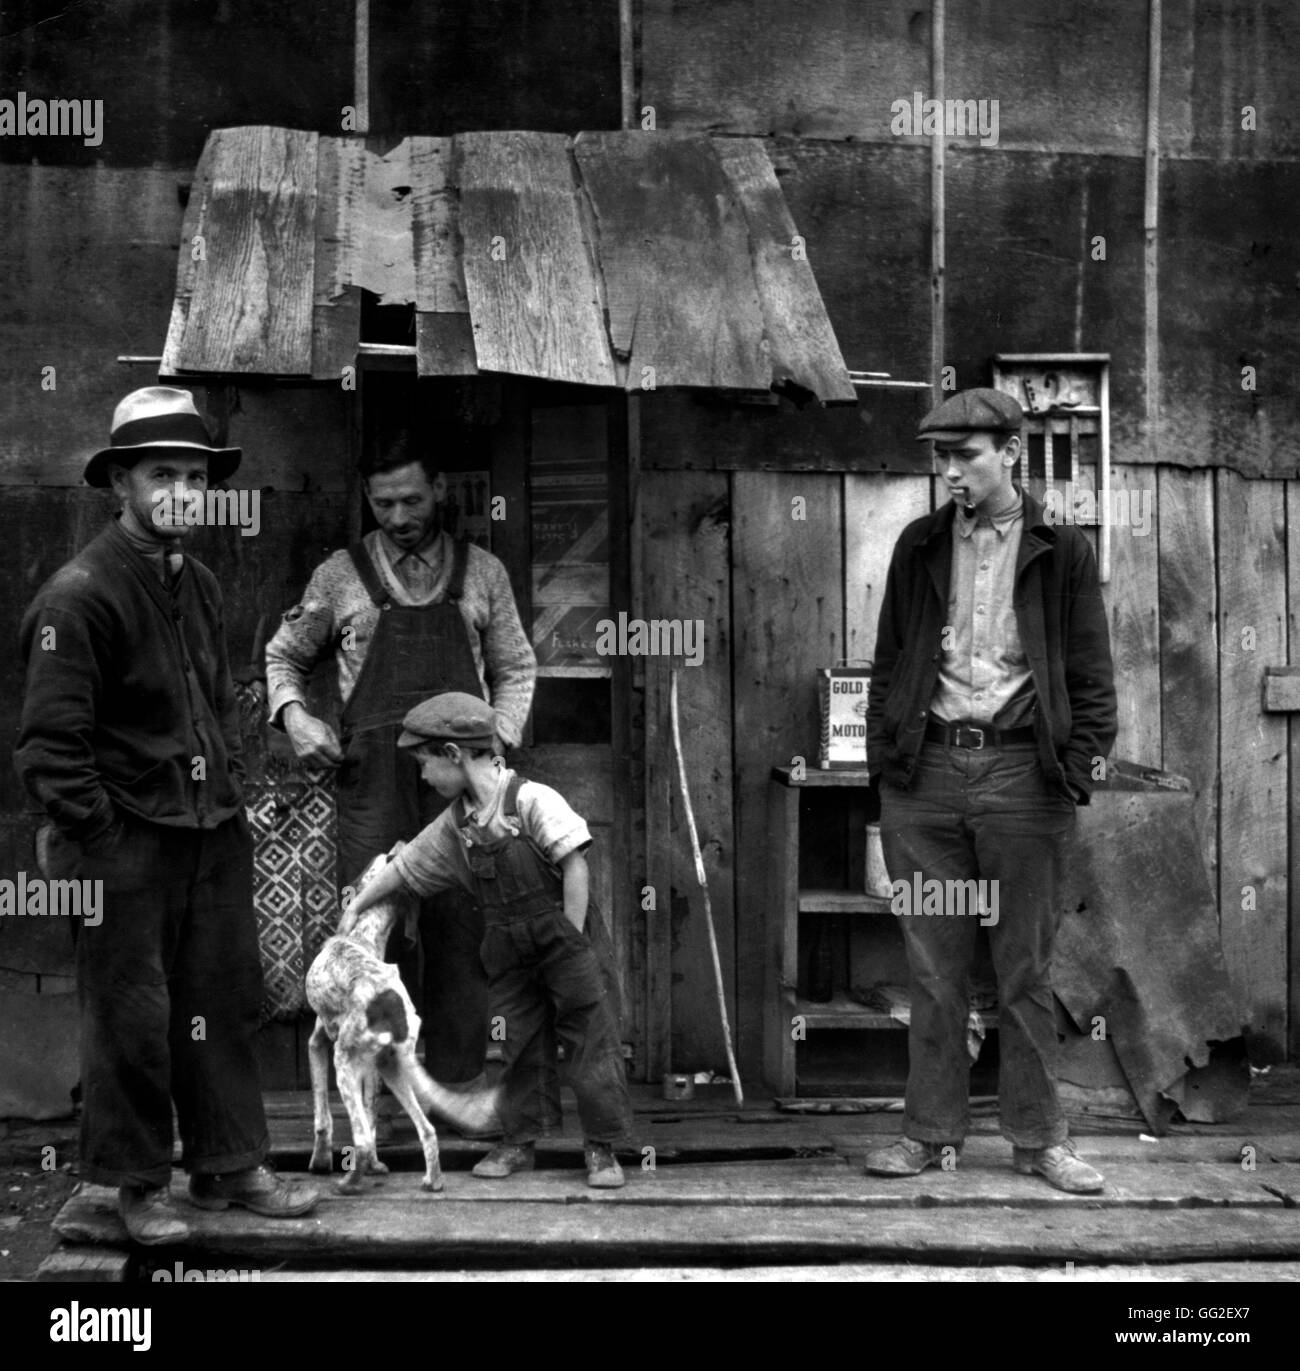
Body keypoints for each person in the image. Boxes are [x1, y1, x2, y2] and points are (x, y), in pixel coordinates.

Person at [14, 386, 319, 1244]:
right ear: (120, 483)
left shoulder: (205, 583)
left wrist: (231, 798)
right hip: (124, 844)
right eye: (161, 474)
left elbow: (214, 704)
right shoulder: (77, 597)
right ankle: (136, 1186)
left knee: (221, 999)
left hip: (209, 833)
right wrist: (104, 842)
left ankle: (229, 1164)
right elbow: (48, 746)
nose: (182, 490)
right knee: (131, 1014)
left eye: (194, 474)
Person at [864, 387, 1117, 1193]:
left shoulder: (1061, 550)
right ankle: (930, 1134)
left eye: (966, 454)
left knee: (1024, 971)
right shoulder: (920, 545)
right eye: (941, 457)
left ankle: (1039, 1140)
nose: (951, 472)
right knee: (934, 972)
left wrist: (1069, 773)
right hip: (928, 782)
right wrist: (889, 765)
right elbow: (890, 662)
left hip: (1022, 781)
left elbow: (1092, 678)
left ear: (1012, 449)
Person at [265, 435, 536, 1094]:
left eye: (412, 498)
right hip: (372, 789)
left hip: (457, 789)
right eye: (383, 502)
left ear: (440, 489)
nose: (398, 515)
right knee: (370, 936)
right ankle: (378, 1090)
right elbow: (284, 657)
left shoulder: (483, 573)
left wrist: (493, 748)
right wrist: (296, 717)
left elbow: (516, 667)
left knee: (460, 930)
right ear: (368, 499)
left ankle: (455, 1083)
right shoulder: (340, 576)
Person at [342, 692, 632, 1189]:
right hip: (510, 952)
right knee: (519, 1044)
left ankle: (601, 1150)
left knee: (589, 1040)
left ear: (454, 754)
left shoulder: (531, 799)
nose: (423, 776)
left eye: (425, 762)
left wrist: (570, 935)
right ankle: (519, 1142)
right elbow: (407, 867)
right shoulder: (456, 823)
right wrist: (357, 903)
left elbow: (574, 864)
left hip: (565, 941)